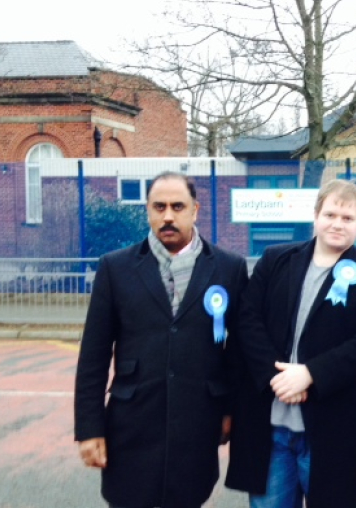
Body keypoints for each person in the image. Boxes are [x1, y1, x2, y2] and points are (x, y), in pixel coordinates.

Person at [74, 171, 248, 508]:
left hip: (198, 424)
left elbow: (237, 352)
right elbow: (93, 355)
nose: (168, 216)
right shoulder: (115, 268)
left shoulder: (229, 268)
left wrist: (230, 409)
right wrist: (89, 428)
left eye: (178, 206)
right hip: (131, 425)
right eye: (159, 207)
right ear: (148, 211)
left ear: (195, 210)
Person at [225, 179, 356, 508]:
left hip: (334, 430)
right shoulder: (276, 260)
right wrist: (277, 378)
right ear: (316, 216)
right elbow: (247, 319)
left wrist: (311, 375)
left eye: (347, 218)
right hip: (270, 428)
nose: (337, 224)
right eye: (330, 214)